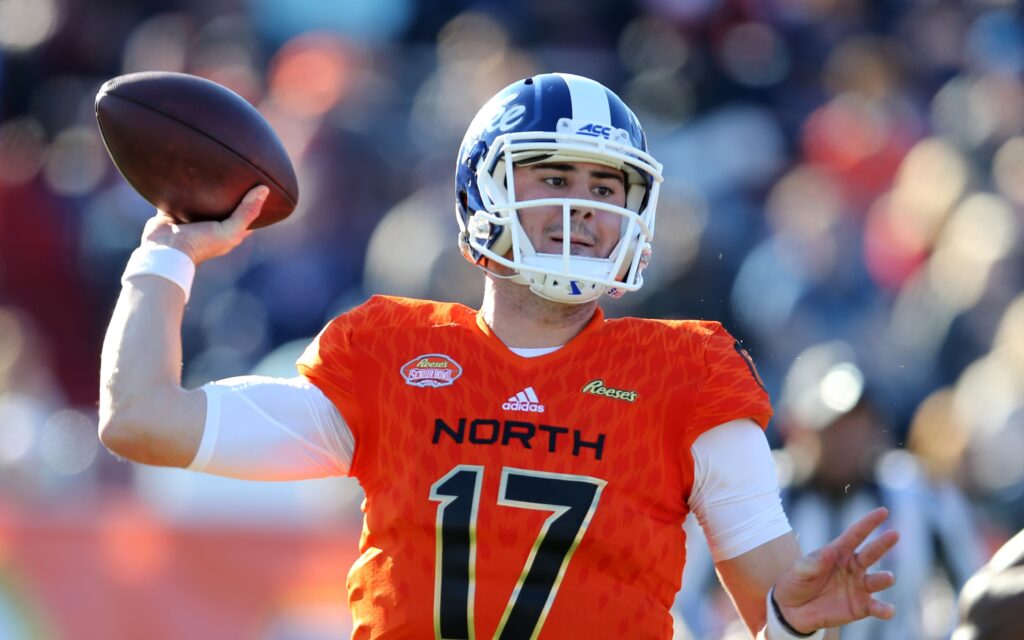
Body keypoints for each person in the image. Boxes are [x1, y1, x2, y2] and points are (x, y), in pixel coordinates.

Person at [99, 73, 898, 639]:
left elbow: (776, 616)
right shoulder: (393, 351)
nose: (582, 208)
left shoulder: (686, 373)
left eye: (607, 187)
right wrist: (167, 254)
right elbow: (140, 420)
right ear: (483, 194)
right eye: (552, 175)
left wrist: (793, 627)